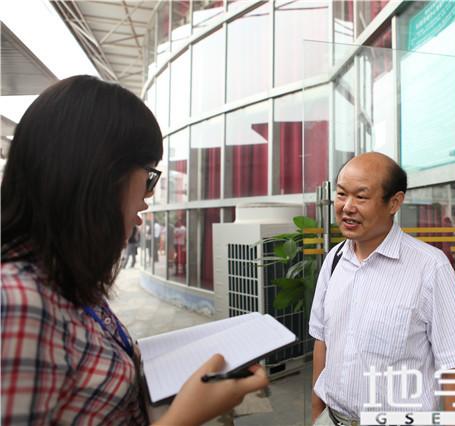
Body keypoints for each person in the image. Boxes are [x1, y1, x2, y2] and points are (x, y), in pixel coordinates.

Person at [1, 76, 268, 425]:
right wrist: (184, 417)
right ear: (101, 174)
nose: (150, 193)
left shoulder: (64, 280)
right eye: (149, 174)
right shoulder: (17, 302)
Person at [309, 153, 455, 425]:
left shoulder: (430, 267)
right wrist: (316, 414)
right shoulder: (334, 260)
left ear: (394, 202)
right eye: (341, 194)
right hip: (332, 419)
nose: (347, 207)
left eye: (361, 197)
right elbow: (322, 340)